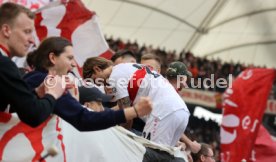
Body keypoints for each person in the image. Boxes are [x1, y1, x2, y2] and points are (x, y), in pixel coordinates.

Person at [24, 36, 152, 131]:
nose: (74, 64)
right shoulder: (46, 81)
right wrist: (135, 111)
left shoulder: (35, 78)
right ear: (52, 58)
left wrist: (72, 100)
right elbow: (84, 118)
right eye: (69, 58)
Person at [82, 57, 190, 147]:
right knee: (166, 158)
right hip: (181, 111)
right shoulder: (123, 68)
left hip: (163, 113)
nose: (97, 84)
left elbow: (127, 118)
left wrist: (118, 140)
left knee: (149, 155)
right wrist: (99, 116)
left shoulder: (115, 77)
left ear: (96, 69)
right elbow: (123, 107)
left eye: (93, 80)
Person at [0, 2, 65, 127]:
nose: (32, 40)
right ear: (6, 30)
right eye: (27, 32)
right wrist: (53, 94)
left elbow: (9, 104)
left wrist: (36, 94)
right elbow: (33, 115)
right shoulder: (4, 65)